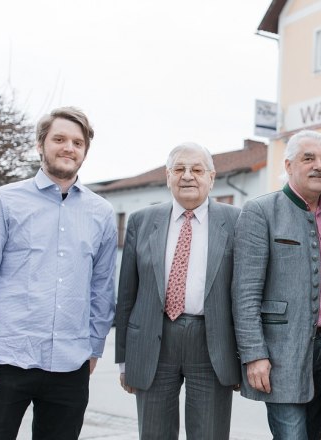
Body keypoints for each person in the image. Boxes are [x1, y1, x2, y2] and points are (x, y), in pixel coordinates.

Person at [0, 107, 117, 440]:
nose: (69, 148)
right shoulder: (3, 201)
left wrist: (93, 348)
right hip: (5, 359)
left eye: (78, 142)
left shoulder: (102, 213)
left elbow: (102, 288)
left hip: (70, 364)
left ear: (85, 151)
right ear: (40, 144)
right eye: (59, 139)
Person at [114, 143, 241, 439]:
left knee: (209, 434)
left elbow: (244, 292)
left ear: (211, 177)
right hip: (153, 342)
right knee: (154, 434)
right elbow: (127, 293)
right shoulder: (141, 221)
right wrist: (124, 359)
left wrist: (243, 356)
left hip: (212, 344)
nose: (187, 176)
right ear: (168, 176)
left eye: (197, 169)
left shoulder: (237, 221)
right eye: (179, 169)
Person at [232, 130, 321, 440]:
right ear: (289, 165)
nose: (319, 166)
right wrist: (254, 354)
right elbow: (245, 293)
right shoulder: (261, 211)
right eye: (308, 158)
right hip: (282, 352)